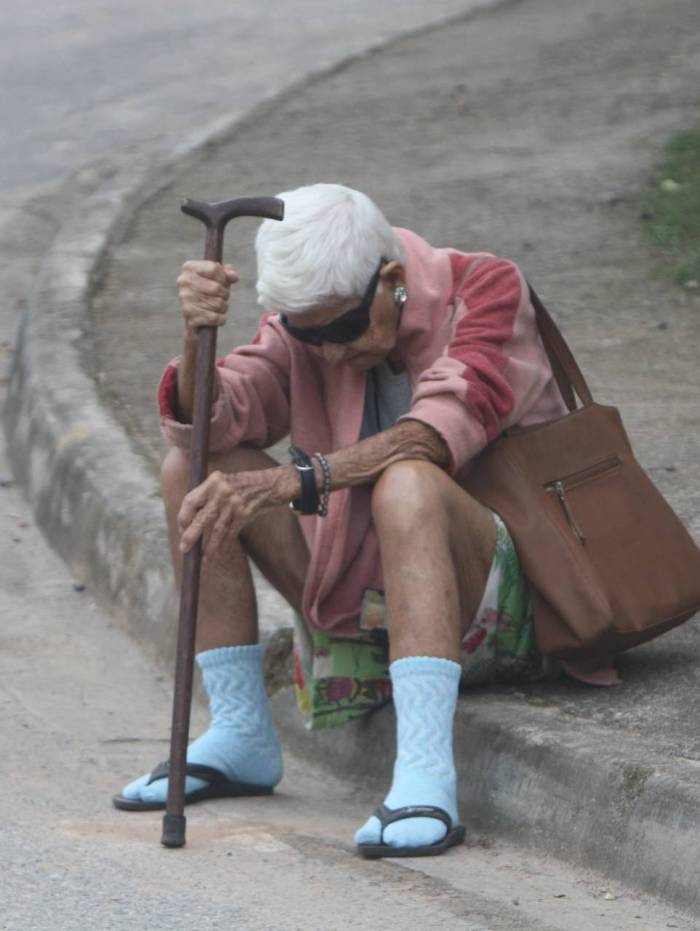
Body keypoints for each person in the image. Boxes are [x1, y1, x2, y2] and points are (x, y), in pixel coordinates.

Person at [113, 183, 620, 857]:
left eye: (342, 330)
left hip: (504, 601)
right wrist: (194, 335)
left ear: (392, 280)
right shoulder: (314, 315)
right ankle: (239, 733)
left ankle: (424, 774)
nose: (327, 352)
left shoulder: (487, 289)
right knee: (192, 468)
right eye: (308, 334)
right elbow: (221, 417)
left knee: (408, 483)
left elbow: (435, 433)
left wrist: (299, 479)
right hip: (372, 598)